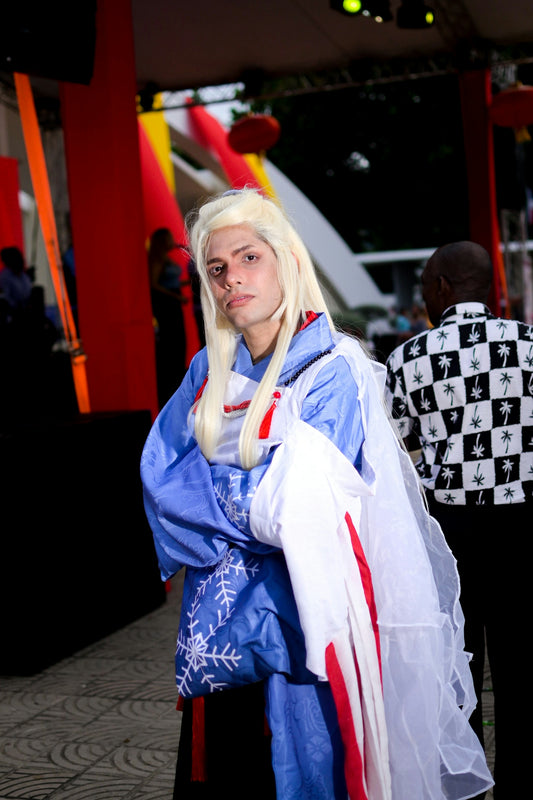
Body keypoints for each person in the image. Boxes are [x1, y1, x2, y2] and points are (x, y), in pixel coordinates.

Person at [141, 191, 494, 800]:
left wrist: (222, 493)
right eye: (217, 268)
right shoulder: (206, 370)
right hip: (219, 633)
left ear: (286, 261)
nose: (232, 280)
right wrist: (250, 493)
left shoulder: (336, 367)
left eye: (249, 258)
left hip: (304, 629)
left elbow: (298, 509)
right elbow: (160, 482)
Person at [385, 240, 533, 799]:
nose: (423, 296)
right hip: (524, 531)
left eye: (424, 285)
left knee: (455, 669)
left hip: (450, 537)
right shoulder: (530, 346)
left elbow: (397, 459)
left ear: (443, 287)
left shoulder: (408, 359)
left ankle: (465, 787)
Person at [148, 227, 189, 407]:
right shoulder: (157, 259)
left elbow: (171, 280)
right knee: (172, 339)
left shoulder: (167, 258)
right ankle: (172, 380)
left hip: (174, 300)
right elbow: (154, 284)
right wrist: (176, 296)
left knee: (179, 339)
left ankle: (178, 376)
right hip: (167, 303)